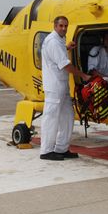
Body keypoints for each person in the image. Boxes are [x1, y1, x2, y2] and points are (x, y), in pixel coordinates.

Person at [40, 16, 90, 161]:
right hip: (54, 86)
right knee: (51, 118)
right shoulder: (53, 41)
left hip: (62, 85)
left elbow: (57, 54)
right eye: (61, 26)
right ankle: (46, 151)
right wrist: (83, 76)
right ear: (55, 26)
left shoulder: (59, 40)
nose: (64, 28)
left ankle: (61, 149)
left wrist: (66, 47)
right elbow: (65, 65)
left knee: (68, 116)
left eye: (65, 26)